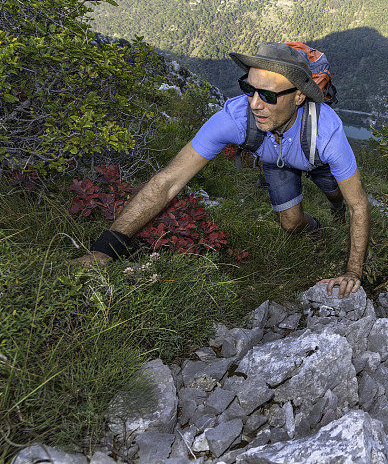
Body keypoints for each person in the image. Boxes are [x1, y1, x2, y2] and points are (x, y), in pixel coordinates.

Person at [79, 42, 369, 299]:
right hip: (275, 161)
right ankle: (315, 228)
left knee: (336, 194)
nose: (255, 104)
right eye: (249, 88)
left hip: (313, 158)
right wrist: (105, 249)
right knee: (291, 224)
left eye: (268, 95)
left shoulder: (327, 133)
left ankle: (334, 210)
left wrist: (353, 273)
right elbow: (169, 181)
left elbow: (359, 205)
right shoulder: (234, 118)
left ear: (298, 97)